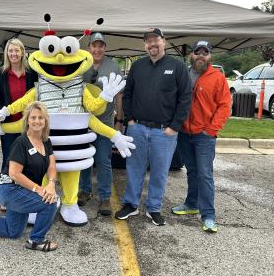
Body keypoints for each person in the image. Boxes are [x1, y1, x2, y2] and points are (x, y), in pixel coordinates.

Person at [115, 28, 192, 226]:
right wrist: (129, 120)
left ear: (163, 41)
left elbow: (185, 99)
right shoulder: (138, 66)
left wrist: (175, 127)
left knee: (159, 171)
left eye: (155, 40)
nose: (152, 44)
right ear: (145, 45)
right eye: (148, 42)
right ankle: (131, 205)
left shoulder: (177, 66)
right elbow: (128, 94)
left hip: (164, 131)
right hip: (137, 128)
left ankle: (154, 208)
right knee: (134, 168)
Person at [0, 102, 59, 251]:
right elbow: (14, 174)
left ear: (45, 121)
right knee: (50, 203)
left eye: (41, 118)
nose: (37, 121)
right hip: (9, 188)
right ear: (27, 120)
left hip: (24, 190)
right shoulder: (21, 142)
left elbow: (52, 166)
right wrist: (39, 189)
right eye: (33, 117)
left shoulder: (46, 142)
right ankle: (36, 240)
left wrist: (51, 184)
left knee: (12, 231)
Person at [171, 40, 231, 233]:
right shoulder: (184, 74)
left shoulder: (217, 77)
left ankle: (209, 216)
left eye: (205, 53)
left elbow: (224, 106)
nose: (201, 56)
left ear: (210, 57)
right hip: (184, 133)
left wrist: (211, 130)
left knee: (205, 174)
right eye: (198, 52)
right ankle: (191, 204)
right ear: (192, 55)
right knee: (192, 171)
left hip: (204, 135)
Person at [78, 32, 124, 216]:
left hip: (104, 121)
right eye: (94, 45)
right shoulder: (82, 64)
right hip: (84, 121)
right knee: (84, 159)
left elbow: (119, 96)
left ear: (105, 47)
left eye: (101, 46)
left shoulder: (113, 65)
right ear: (89, 47)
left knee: (103, 160)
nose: (97, 49)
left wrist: (119, 121)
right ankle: (84, 190)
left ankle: (105, 197)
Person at [0, 38, 38, 174]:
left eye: (16, 50)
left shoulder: (32, 74)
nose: (13, 53)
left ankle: (28, 190)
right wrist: (0, 117)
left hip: (29, 125)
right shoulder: (1, 73)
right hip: (9, 125)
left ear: (22, 53)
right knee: (9, 158)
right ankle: (7, 190)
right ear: (6, 53)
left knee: (30, 159)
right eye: (10, 50)